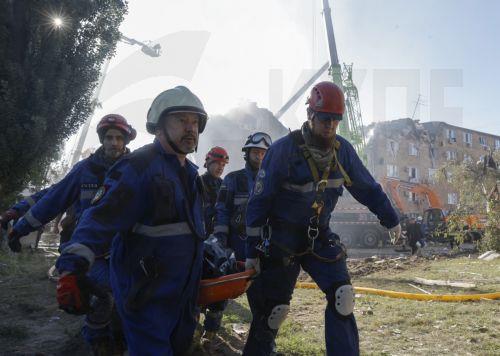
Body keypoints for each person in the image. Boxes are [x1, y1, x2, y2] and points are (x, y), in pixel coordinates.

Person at [243, 81, 401, 356]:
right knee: (274, 311)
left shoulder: (342, 152)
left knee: (343, 297)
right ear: (310, 116)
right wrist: (251, 251)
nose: (330, 125)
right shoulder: (283, 151)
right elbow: (260, 201)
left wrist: (391, 218)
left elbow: (367, 187)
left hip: (319, 236)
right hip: (282, 240)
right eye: (325, 118)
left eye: (335, 119)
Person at [56, 86, 208, 355]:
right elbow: (97, 220)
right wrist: (71, 269)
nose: (190, 128)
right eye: (181, 120)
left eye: (195, 122)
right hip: (146, 296)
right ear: (159, 126)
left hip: (182, 298)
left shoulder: (191, 174)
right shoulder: (138, 168)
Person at [9, 114, 136, 354]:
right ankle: (97, 343)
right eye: (108, 137)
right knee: (108, 293)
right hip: (88, 253)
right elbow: (53, 199)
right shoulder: (85, 170)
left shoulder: (136, 170)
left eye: (119, 138)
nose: (114, 143)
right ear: (102, 140)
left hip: (124, 251)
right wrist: (20, 228)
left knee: (131, 298)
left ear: (126, 140)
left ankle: (119, 339)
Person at [200, 133, 272, 341]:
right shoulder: (233, 180)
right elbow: (221, 210)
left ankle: (262, 342)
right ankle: (210, 333)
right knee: (220, 293)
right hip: (235, 246)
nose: (259, 157)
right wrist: (221, 241)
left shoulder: (271, 182)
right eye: (256, 152)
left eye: (263, 153)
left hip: (261, 248)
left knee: (262, 298)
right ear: (247, 154)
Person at [201, 146, 229, 236]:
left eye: (223, 165)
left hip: (219, 233)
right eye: (218, 163)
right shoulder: (198, 183)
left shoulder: (224, 184)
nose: (221, 168)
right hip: (203, 234)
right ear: (208, 162)